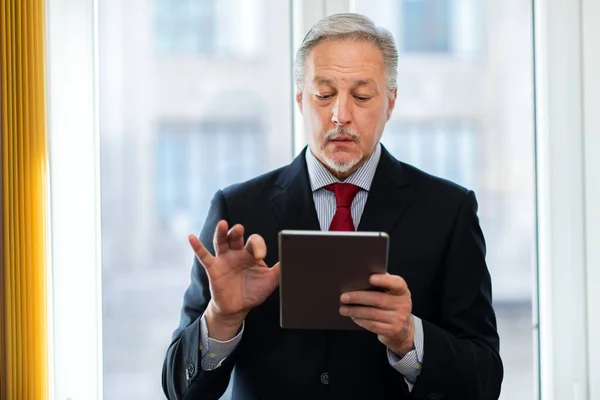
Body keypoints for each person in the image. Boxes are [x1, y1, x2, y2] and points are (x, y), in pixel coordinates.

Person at [162, 13, 503, 400]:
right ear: (300, 99)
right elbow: (178, 390)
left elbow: (485, 380)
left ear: (390, 102)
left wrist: (410, 338)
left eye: (361, 96)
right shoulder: (237, 211)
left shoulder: (448, 211)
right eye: (324, 95)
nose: (341, 115)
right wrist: (222, 319)